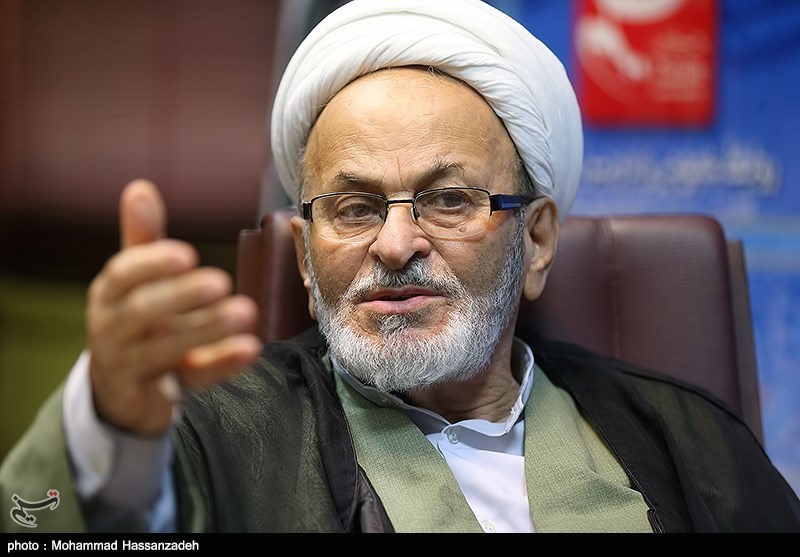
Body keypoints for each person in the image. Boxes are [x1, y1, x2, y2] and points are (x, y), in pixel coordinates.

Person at [2, 0, 799, 534]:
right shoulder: (208, 434)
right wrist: (108, 430)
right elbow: (37, 518)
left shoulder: (691, 443)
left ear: (538, 241)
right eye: (354, 207)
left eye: (448, 199)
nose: (394, 243)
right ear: (305, 258)